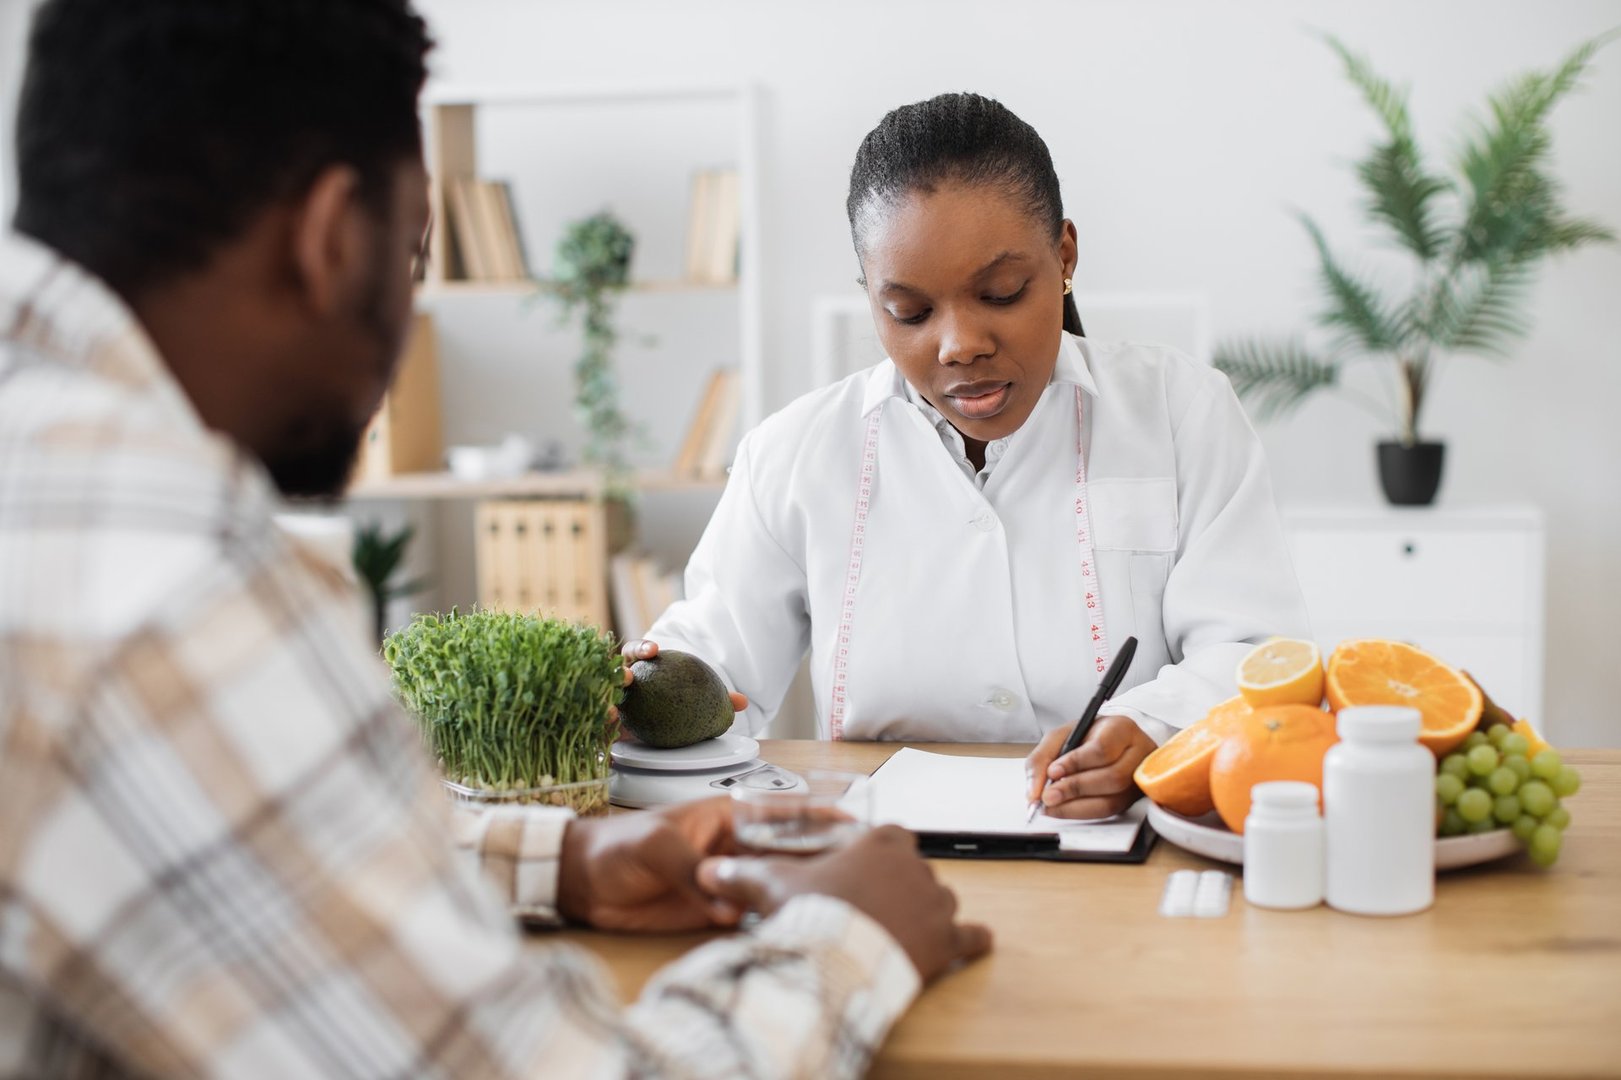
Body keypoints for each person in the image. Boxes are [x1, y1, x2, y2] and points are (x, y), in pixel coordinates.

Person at [0, 3, 988, 1077]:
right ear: (332, 238)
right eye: (417, 249)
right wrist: (850, 941)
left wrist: (556, 859)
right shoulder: (163, 583)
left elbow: (221, 860)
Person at [640, 92, 1310, 820]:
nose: (958, 344)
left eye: (1001, 292)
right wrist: (639, 690)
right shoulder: (794, 453)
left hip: (1115, 847)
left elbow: (1254, 652)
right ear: (870, 296)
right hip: (878, 862)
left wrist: (1149, 726)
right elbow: (713, 664)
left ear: (1063, 256)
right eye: (909, 313)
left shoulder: (1182, 413)